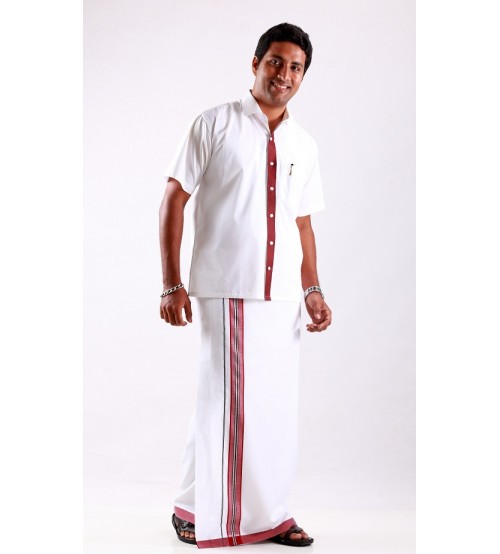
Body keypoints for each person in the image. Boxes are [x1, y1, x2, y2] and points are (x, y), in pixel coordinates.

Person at [159, 22, 332, 548]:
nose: (284, 74)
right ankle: (250, 517)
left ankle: (200, 506)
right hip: (231, 286)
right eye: (275, 61)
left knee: (269, 407)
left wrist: (312, 289)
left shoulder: (304, 144)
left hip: (282, 298)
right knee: (231, 405)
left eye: (296, 67)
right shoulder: (214, 124)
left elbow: (303, 224)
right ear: (255, 63)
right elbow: (174, 199)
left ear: (303, 76)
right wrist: (171, 283)